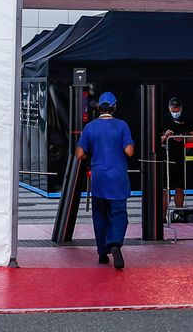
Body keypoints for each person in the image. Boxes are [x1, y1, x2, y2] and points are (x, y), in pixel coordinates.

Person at [76, 90, 136, 269]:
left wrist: (90, 155)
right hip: (118, 178)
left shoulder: (90, 127)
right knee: (118, 214)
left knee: (99, 215)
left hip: (99, 179)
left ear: (98, 107)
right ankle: (115, 243)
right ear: (114, 107)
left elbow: (79, 154)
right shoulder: (122, 126)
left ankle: (102, 252)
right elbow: (129, 151)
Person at [160, 96, 193, 209]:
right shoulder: (163, 119)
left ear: (181, 108)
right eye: (173, 110)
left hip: (180, 156)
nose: (175, 113)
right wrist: (166, 136)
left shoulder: (187, 119)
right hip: (165, 157)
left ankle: (179, 212)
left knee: (179, 187)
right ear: (169, 108)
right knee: (164, 188)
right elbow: (155, 140)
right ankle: (163, 216)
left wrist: (182, 138)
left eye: (177, 110)